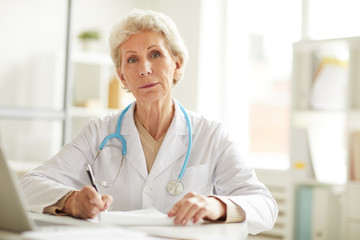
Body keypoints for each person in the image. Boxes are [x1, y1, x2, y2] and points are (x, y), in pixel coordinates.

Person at [20, 9, 278, 235]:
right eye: (132, 60)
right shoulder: (98, 132)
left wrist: (215, 205)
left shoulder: (213, 135)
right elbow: (28, 186)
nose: (144, 69)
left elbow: (265, 205)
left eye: (155, 54)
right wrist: (72, 201)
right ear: (122, 77)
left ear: (177, 64)